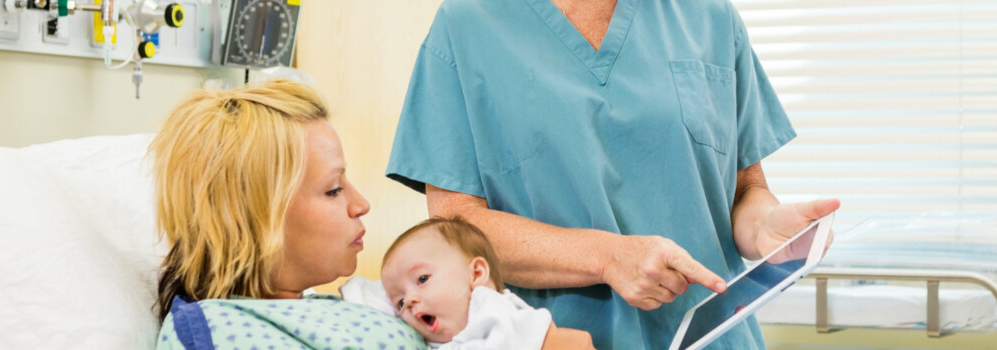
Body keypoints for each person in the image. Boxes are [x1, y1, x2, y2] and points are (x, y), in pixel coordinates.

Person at [385, 0, 841, 349]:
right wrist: (607, 257)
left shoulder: (706, 15)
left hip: (716, 335)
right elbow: (457, 231)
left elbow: (746, 189)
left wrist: (764, 228)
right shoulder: (468, 24)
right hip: (561, 339)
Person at [150, 80, 426, 349]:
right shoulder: (210, 332)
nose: (361, 204)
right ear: (254, 218)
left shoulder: (364, 305)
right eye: (333, 189)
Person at [379, 217, 594, 349]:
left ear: (476, 274)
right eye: (399, 302)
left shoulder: (495, 312)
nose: (408, 301)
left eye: (422, 279)